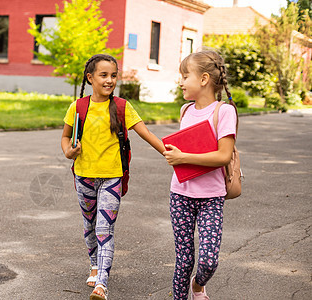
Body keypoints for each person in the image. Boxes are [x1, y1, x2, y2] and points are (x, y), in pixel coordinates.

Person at [61, 54, 166, 300]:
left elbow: (146, 133)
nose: (110, 81)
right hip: (84, 176)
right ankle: (94, 265)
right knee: (89, 225)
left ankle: (101, 284)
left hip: (112, 178)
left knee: (104, 228)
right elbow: (66, 137)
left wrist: (170, 153)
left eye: (114, 76)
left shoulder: (121, 107)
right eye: (104, 75)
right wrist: (68, 151)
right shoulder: (78, 107)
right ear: (90, 77)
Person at [163, 50, 238, 300]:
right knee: (183, 262)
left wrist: (183, 157)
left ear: (204, 79)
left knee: (208, 261)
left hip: (211, 198)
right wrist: (177, 156)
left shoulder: (224, 112)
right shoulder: (185, 111)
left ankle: (199, 285)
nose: (181, 81)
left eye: (185, 76)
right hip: (180, 195)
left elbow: (223, 156)